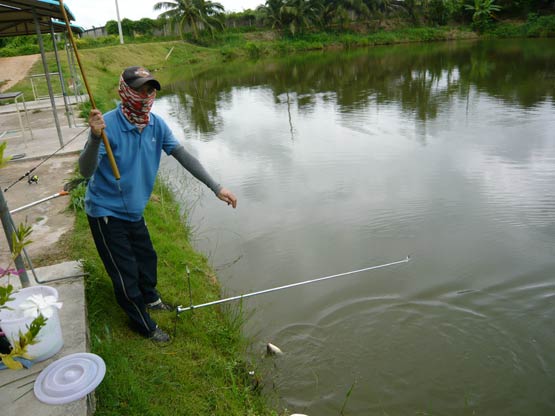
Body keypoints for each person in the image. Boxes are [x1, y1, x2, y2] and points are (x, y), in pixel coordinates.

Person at [79, 66, 237, 342]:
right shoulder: (107, 125)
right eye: (140, 89)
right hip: (105, 210)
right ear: (125, 90)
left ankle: (150, 299)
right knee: (124, 272)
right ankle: (143, 324)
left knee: (147, 259)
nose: (146, 95)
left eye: (150, 89)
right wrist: (94, 138)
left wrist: (216, 187)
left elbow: (183, 156)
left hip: (133, 209)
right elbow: (85, 170)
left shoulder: (156, 124)